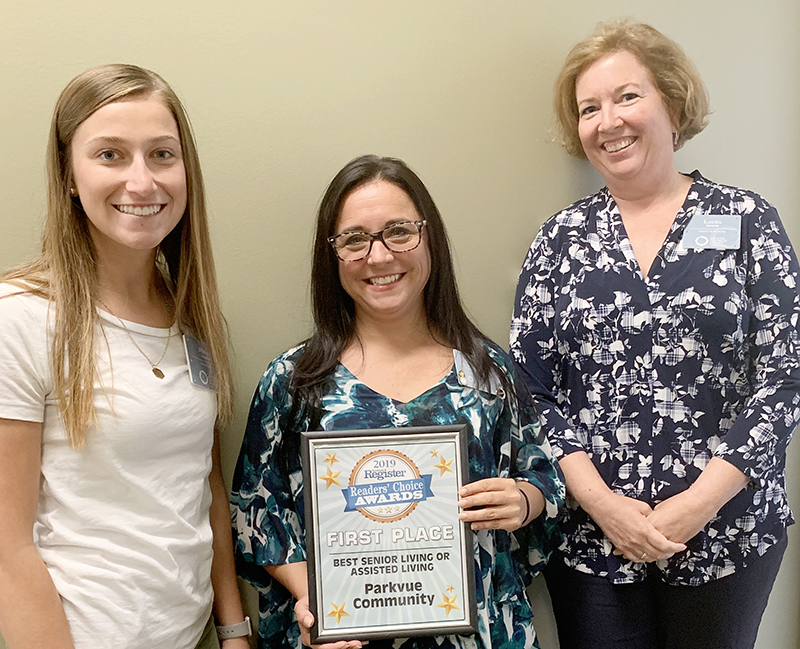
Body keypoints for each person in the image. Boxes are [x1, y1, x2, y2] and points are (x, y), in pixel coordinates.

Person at [510, 19, 799, 649]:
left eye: (627, 97)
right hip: (592, 542)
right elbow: (530, 388)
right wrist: (602, 505)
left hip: (727, 534)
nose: (607, 120)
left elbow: (783, 376)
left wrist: (695, 505)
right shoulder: (559, 241)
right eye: (589, 108)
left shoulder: (747, 221)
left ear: (673, 105)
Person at [231, 154, 564, 649]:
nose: (380, 256)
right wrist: (317, 598)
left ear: (429, 240)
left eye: (399, 232)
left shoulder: (488, 372)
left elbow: (545, 480)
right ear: (332, 256)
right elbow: (254, 514)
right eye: (354, 240)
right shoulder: (294, 380)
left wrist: (523, 500)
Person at [0, 65, 250, 649]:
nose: (142, 182)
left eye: (162, 154)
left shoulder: (192, 315)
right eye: (110, 155)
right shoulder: (22, 316)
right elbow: (6, 545)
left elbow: (202, 481)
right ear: (68, 172)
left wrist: (233, 629)